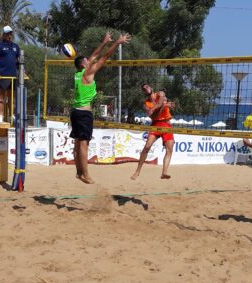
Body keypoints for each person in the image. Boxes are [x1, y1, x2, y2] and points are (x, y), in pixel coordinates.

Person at [71, 32, 130, 184]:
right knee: (84, 145)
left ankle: (78, 172)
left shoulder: (78, 73)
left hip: (75, 112)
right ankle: (85, 174)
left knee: (78, 144)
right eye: (87, 61)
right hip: (84, 114)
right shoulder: (88, 73)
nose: (89, 60)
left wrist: (104, 41)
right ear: (84, 65)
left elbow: (94, 55)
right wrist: (117, 43)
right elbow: (104, 57)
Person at [131, 83, 176, 180]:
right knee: (146, 147)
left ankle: (164, 172)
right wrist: (163, 106)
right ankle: (137, 171)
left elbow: (164, 104)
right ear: (143, 92)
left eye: (147, 87)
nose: (145, 89)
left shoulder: (160, 94)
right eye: (144, 89)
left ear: (151, 87)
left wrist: (159, 107)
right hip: (155, 125)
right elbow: (154, 116)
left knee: (169, 150)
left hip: (167, 124)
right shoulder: (146, 104)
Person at [0, 25, 20, 123]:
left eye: (10, 33)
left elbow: (19, 61)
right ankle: (0, 116)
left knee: (11, 97)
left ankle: (11, 115)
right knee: (1, 97)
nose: (9, 35)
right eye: (7, 33)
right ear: (3, 34)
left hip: (13, 76)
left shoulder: (15, 47)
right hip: (2, 75)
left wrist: (23, 72)